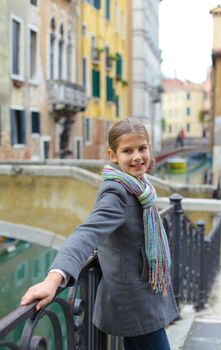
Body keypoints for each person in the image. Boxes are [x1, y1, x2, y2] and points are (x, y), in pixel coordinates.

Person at [21, 118, 179, 350]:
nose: (137, 156)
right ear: (113, 155)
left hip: (143, 295)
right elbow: (87, 233)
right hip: (134, 302)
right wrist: (53, 279)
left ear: (149, 148)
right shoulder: (117, 192)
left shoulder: (141, 185)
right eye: (128, 151)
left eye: (142, 148)